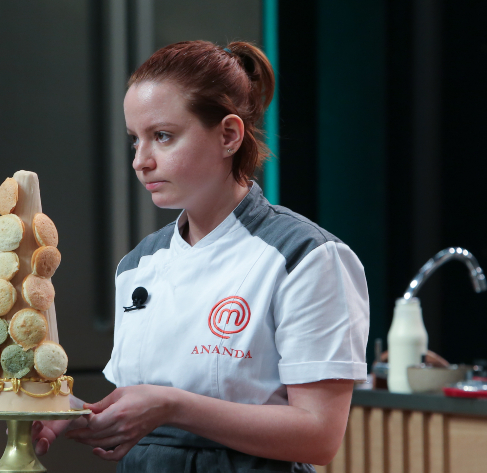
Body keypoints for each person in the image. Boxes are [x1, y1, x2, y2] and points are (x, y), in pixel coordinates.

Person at [32, 40, 369, 472]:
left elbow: (319, 436)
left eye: (163, 137)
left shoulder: (306, 256)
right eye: (135, 140)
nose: (141, 161)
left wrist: (173, 406)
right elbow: (137, 408)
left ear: (229, 135)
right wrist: (67, 410)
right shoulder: (139, 265)